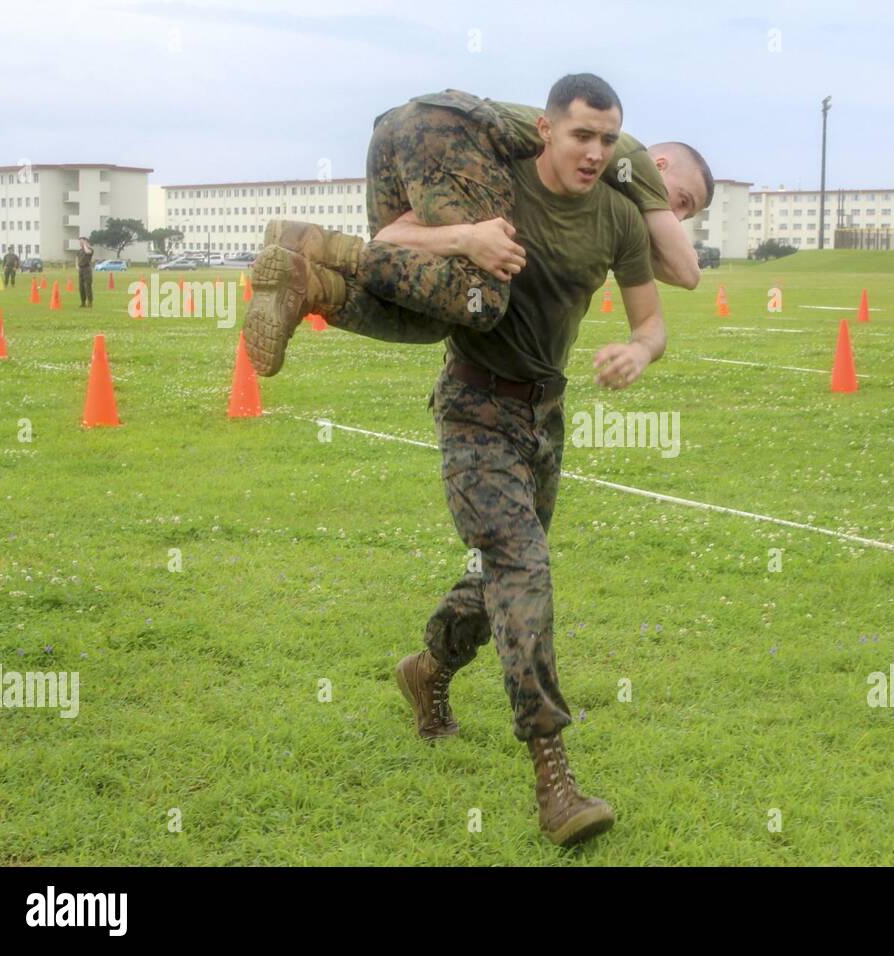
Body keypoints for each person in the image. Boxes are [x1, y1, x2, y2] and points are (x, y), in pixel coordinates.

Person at [250, 74, 668, 847]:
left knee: (497, 578)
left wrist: (638, 353)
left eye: (608, 140)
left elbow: (653, 321)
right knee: (522, 566)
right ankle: (554, 775)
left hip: (545, 414)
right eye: (581, 134)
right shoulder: (490, 184)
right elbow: (394, 241)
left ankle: (429, 671)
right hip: (475, 407)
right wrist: (467, 239)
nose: (594, 151)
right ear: (545, 129)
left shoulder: (616, 217)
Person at [242, 84, 712, 376]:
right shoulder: (635, 161)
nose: (677, 217)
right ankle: (321, 247)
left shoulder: (596, 182)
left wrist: (460, 239)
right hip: (447, 127)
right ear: (662, 165)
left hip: (400, 131)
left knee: (433, 309)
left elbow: (395, 239)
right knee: (483, 297)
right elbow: (687, 272)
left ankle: (311, 281)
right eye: (683, 202)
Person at [76, 238, 94, 308]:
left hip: (87, 269)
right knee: (81, 287)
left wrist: (85, 245)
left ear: (86, 242)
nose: (80, 243)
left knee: (87, 286)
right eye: (80, 242)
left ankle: (90, 302)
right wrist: (77, 266)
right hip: (81, 269)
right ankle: (83, 302)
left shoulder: (90, 249)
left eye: (82, 242)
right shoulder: (79, 251)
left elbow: (87, 252)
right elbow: (76, 258)